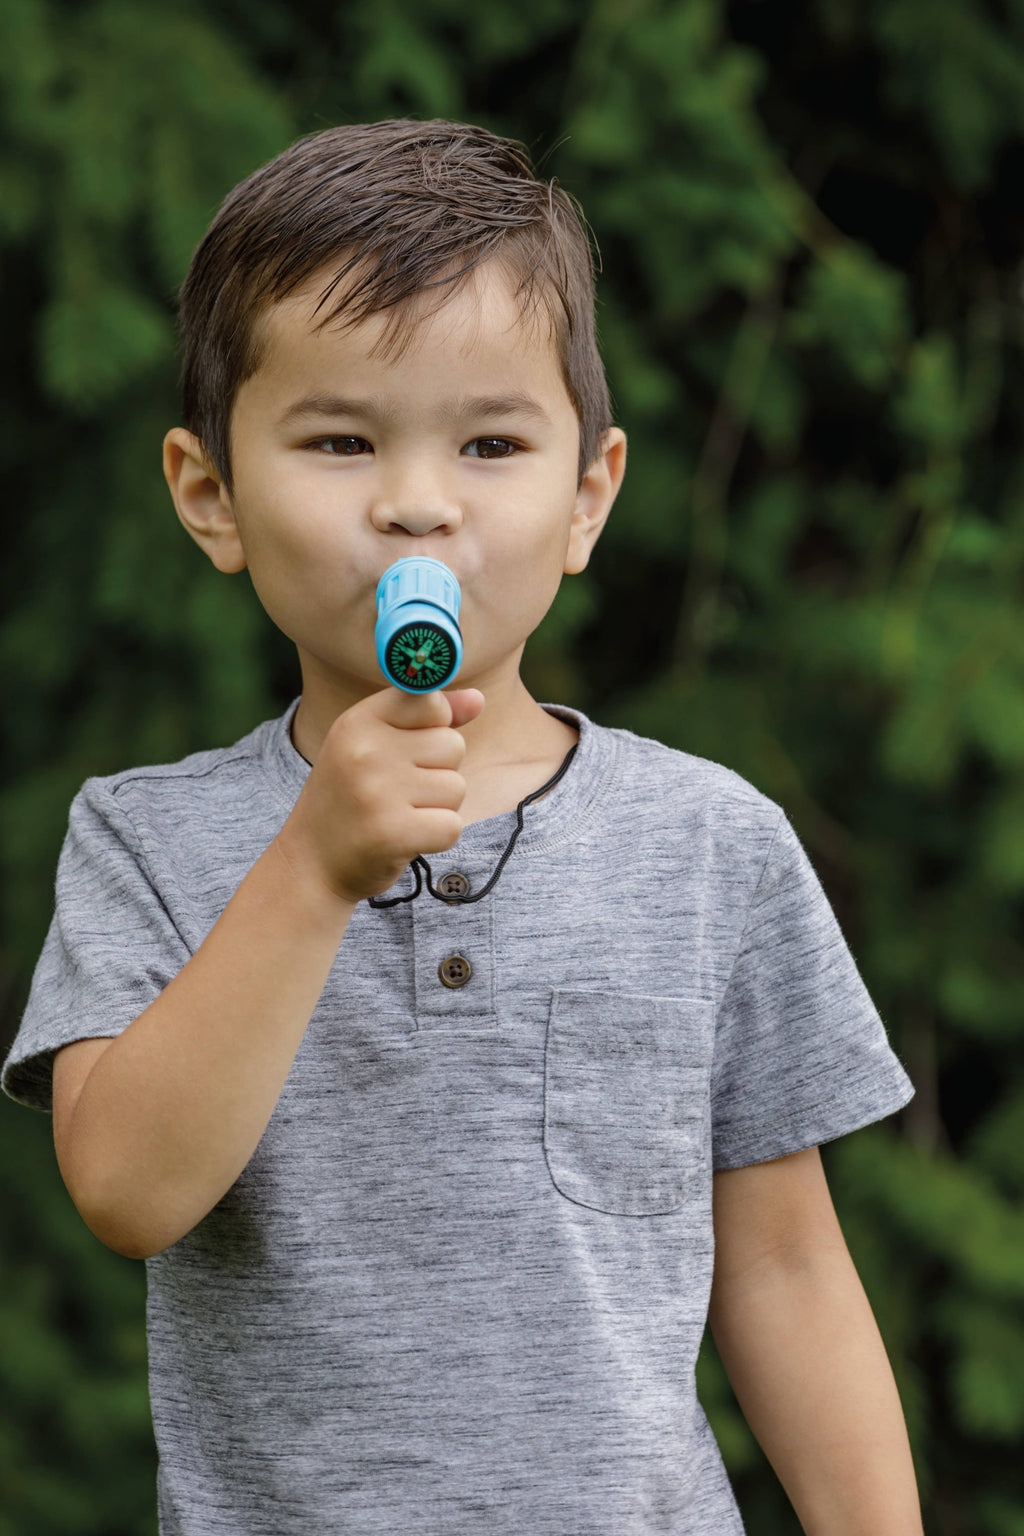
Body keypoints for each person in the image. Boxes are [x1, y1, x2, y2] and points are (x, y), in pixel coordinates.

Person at [1, 118, 924, 1535]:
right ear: (211, 495)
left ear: (587, 497)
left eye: (492, 441)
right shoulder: (147, 841)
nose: (418, 505)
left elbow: (788, 1269)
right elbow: (128, 1190)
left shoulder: (705, 845)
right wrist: (310, 868)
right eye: (339, 439)